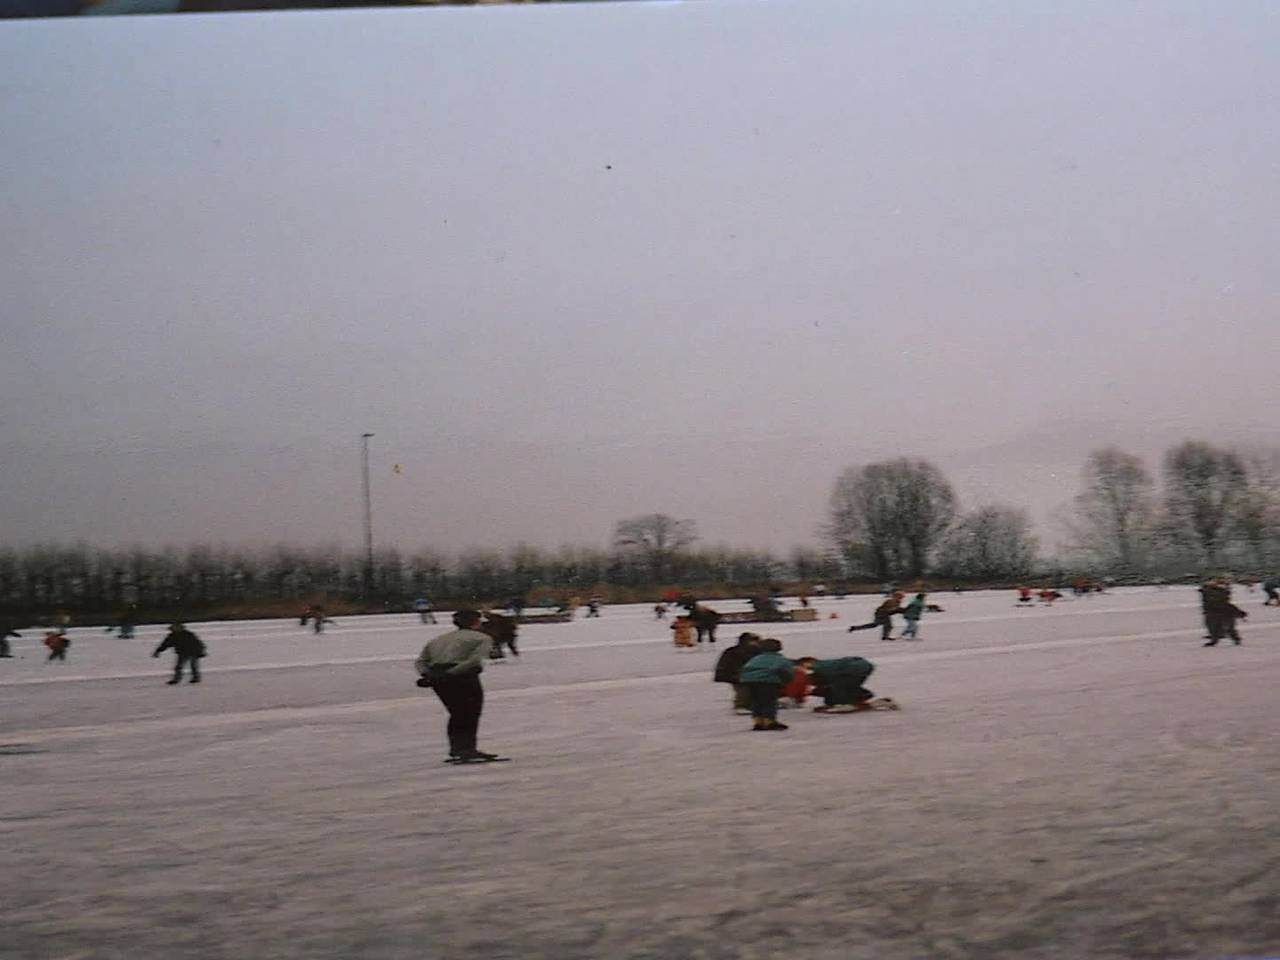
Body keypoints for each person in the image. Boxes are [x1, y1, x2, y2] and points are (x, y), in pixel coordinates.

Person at [414, 609, 500, 762]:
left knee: (457, 714)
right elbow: (474, 660)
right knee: (470, 713)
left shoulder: (439, 639)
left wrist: (428, 675)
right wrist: (452, 673)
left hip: (437, 676)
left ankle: (457, 749)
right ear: (477, 622)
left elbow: (420, 661)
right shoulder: (482, 638)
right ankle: (467, 749)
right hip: (463, 677)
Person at [739, 638, 794, 730]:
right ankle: (769, 721)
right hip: (768, 681)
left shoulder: (756, 658)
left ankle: (758, 722)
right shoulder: (780, 659)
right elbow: (787, 672)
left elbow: (745, 668)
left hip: (749, 681)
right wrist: (786, 681)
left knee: (756, 701)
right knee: (769, 702)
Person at [802, 656, 882, 712]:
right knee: (848, 685)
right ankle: (862, 696)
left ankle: (845, 702)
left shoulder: (823, 673)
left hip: (853, 668)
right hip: (863, 666)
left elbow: (834, 688)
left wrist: (833, 703)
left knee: (839, 687)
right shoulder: (824, 668)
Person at [712, 632, 761, 713]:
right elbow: (726, 666)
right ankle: (741, 705)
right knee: (744, 687)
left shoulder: (758, 651)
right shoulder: (734, 651)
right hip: (736, 674)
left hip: (751, 674)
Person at [1200, 578, 1247, 647]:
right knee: (1214, 626)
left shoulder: (1214, 593)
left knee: (1225, 627)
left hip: (1219, 612)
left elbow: (1224, 603)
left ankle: (1233, 639)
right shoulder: (1212, 592)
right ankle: (1217, 639)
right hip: (1215, 611)